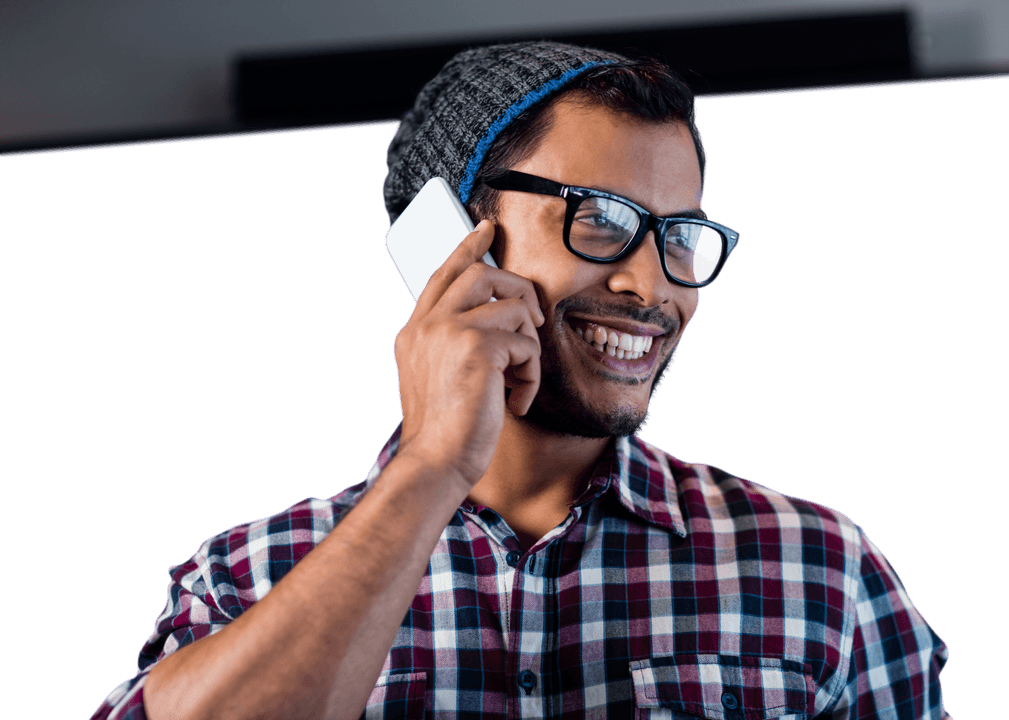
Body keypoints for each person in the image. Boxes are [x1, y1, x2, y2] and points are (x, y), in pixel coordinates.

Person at [90, 41, 950, 720]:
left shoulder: (818, 570)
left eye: (680, 236)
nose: (650, 288)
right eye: (601, 221)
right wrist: (431, 470)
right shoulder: (249, 581)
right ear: (450, 247)